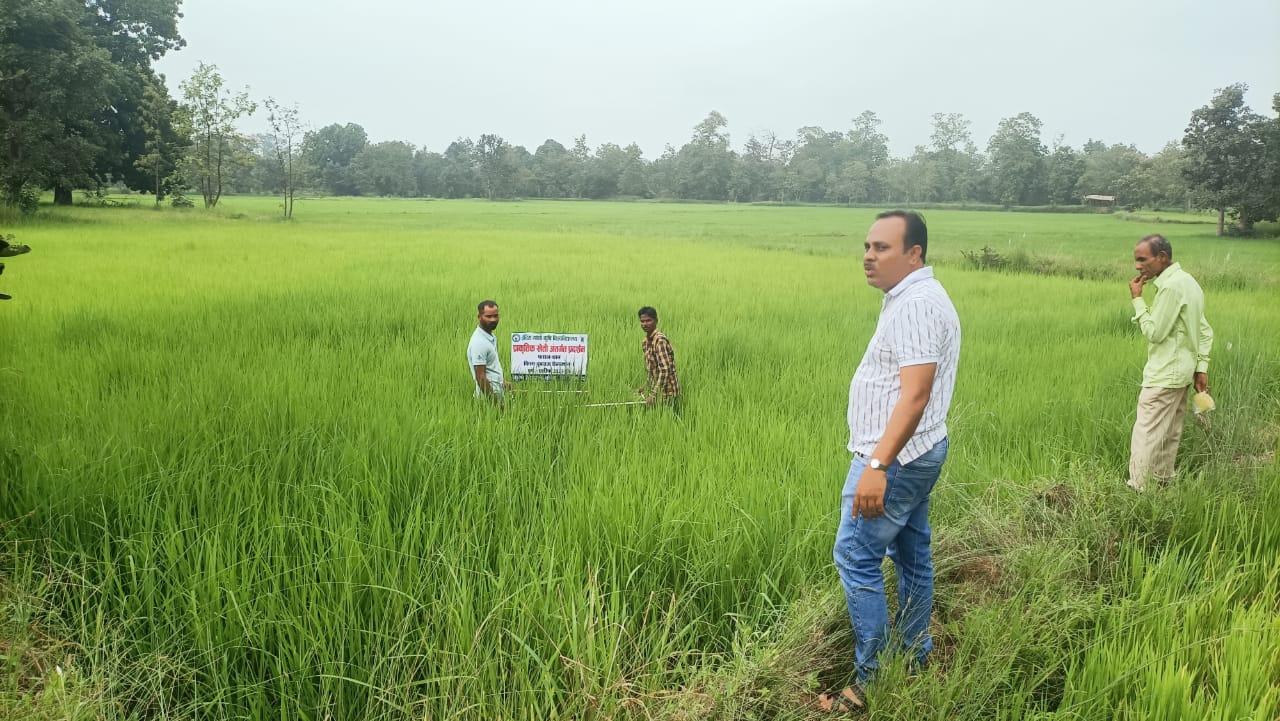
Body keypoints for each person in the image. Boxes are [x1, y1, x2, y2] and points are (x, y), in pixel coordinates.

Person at [824, 211, 960, 711]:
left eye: (882, 247)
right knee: (912, 555)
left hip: (896, 457)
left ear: (914, 254)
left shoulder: (916, 305)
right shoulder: (911, 297)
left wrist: (878, 466)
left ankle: (870, 682)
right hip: (920, 451)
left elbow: (916, 394)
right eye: (867, 246)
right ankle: (916, 655)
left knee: (855, 555)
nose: (868, 255)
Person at [1127, 234, 1212, 491]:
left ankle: (1138, 489)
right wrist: (1201, 367)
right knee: (1170, 431)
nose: (1138, 266)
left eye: (1143, 259)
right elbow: (1205, 331)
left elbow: (1155, 332)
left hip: (1164, 373)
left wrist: (1137, 300)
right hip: (1182, 372)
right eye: (1136, 260)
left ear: (1161, 257)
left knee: (1147, 432)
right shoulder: (1188, 282)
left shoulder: (1171, 287)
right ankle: (1163, 482)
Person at [468, 300, 510, 408]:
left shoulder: (489, 337)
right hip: (487, 402)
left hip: (495, 395)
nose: (493, 320)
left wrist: (502, 382)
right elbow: (480, 377)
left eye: (496, 316)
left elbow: (490, 368)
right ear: (479, 317)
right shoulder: (479, 342)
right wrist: (497, 405)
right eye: (488, 316)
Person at [637, 306, 681, 409]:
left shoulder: (659, 340)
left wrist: (653, 394)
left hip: (668, 393)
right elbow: (651, 369)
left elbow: (665, 370)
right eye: (642, 321)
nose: (645, 324)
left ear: (656, 321)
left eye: (648, 320)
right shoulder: (646, 342)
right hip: (658, 392)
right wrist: (646, 385)